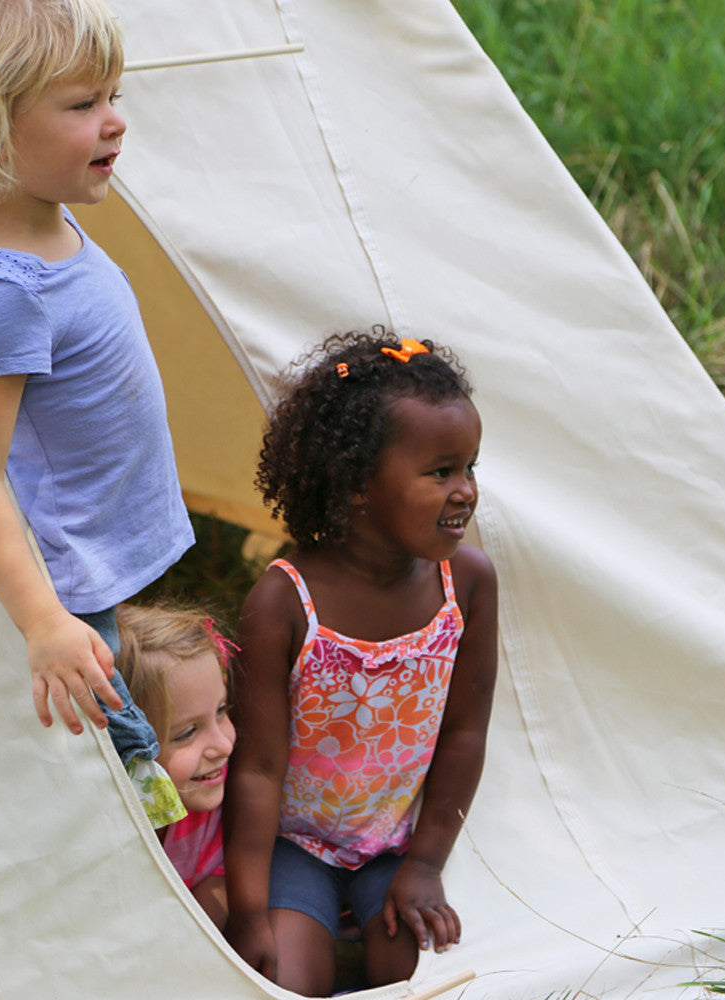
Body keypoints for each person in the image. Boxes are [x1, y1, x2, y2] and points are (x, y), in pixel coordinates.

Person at [0, 0, 194, 827]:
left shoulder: (38, 218)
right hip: (70, 577)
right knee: (111, 769)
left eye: (113, 96)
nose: (116, 123)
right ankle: (150, 845)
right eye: (82, 106)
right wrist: (44, 623)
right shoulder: (6, 288)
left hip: (103, 540)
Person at [223, 329, 498, 994]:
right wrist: (249, 908)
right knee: (284, 982)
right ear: (354, 487)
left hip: (397, 845)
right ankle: (312, 924)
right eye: (441, 472)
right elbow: (257, 770)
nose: (465, 491)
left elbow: (464, 734)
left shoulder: (468, 585)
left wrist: (426, 864)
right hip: (293, 845)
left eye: (470, 468)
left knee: (422, 979)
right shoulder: (284, 601)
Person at [116, 603, 237, 930]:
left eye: (222, 710)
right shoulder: (114, 830)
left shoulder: (226, 799)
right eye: (187, 733)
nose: (224, 745)